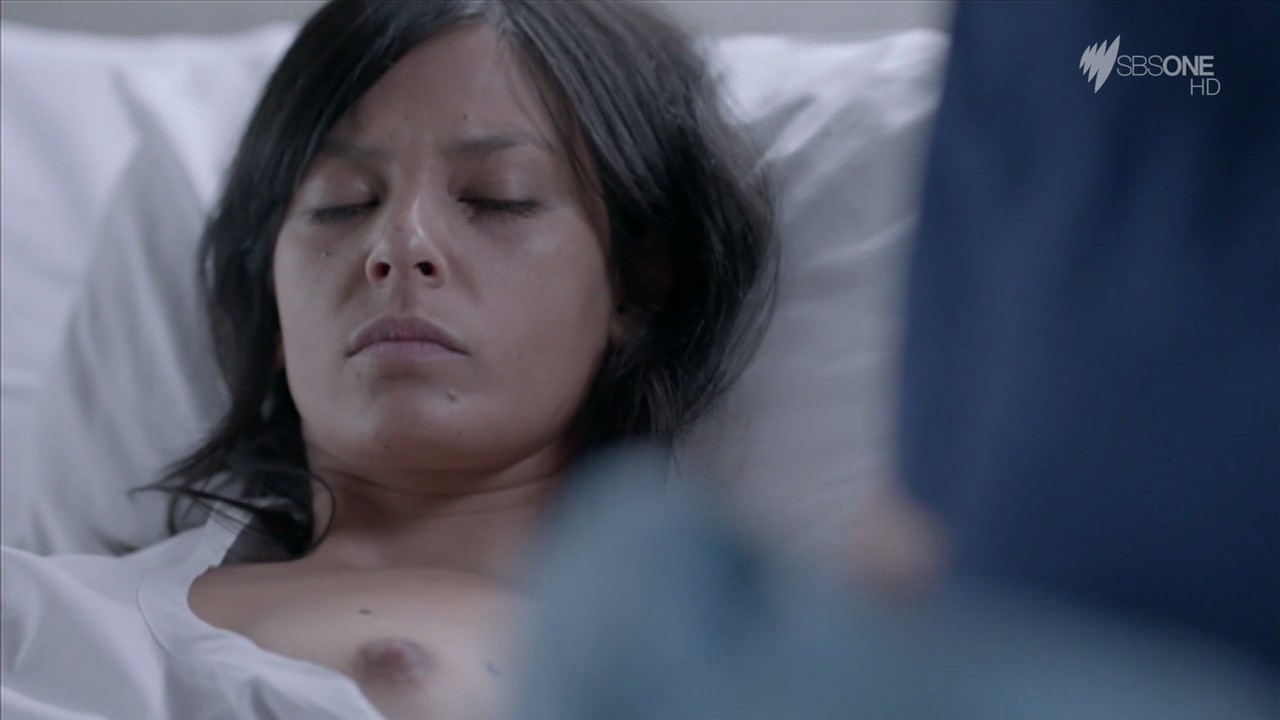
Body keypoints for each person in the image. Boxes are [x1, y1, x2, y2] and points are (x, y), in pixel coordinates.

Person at [1, 1, 776, 719]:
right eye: (343, 202)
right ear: (273, 310)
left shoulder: (718, 672)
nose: (399, 244)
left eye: (497, 197)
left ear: (635, 286)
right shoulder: (38, 608)